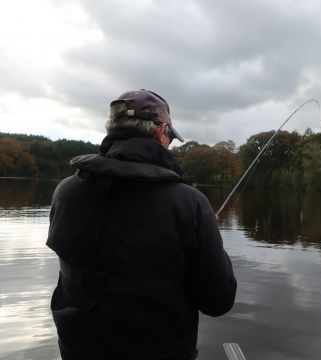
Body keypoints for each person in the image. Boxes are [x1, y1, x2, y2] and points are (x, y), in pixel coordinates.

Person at [46, 89, 237, 360]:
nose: (169, 142)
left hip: (78, 351)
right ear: (161, 132)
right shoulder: (189, 203)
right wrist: (207, 232)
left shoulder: (66, 191)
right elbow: (218, 301)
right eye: (170, 136)